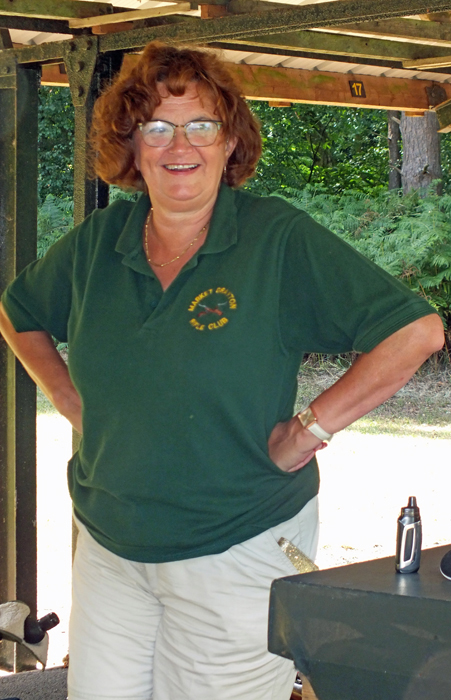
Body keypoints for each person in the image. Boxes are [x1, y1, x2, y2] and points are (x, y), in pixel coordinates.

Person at [0, 42, 444, 700]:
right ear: (132, 143)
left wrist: (308, 430)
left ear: (229, 140)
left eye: (200, 124)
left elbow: (415, 331)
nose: (179, 144)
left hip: (237, 545)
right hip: (110, 544)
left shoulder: (276, 239)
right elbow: (19, 311)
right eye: (156, 125)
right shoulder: (98, 242)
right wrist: (64, 395)